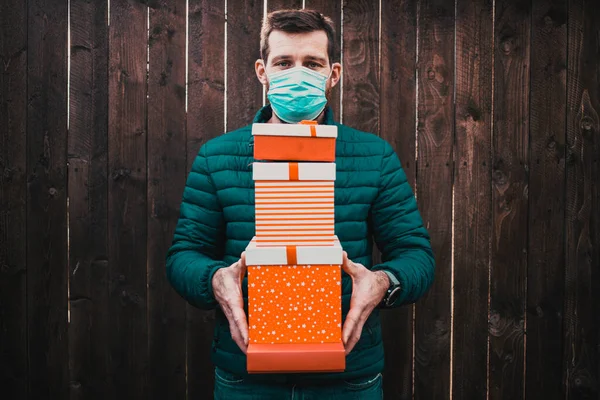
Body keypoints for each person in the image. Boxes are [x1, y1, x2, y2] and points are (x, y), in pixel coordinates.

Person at [166, 9, 435, 399]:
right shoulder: (218, 156)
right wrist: (215, 280)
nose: (297, 74)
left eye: (312, 64)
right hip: (246, 377)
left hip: (347, 377)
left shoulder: (373, 156)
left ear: (334, 74)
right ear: (262, 71)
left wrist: (382, 283)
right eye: (283, 63)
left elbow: (415, 255)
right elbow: (183, 255)